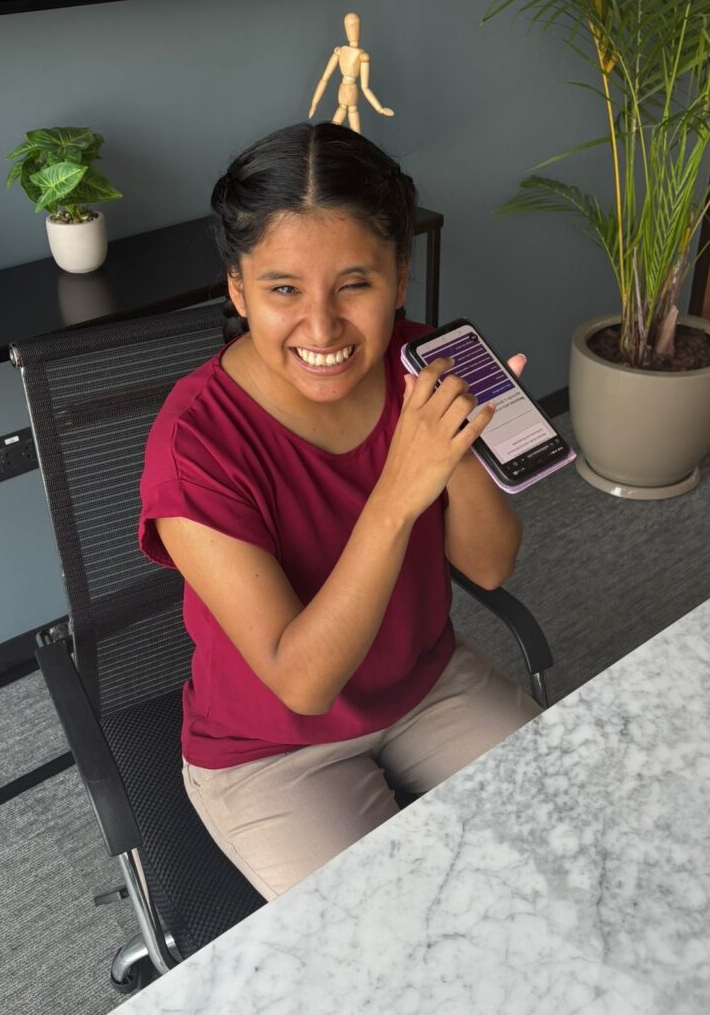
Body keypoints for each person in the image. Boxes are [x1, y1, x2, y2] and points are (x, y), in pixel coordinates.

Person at [138, 121, 541, 902]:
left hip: (428, 684)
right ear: (237, 289)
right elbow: (303, 683)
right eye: (283, 289)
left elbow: (491, 563)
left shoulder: (429, 363)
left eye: (354, 284)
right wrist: (398, 490)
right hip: (272, 748)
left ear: (398, 276)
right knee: (387, 937)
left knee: (563, 823)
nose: (321, 328)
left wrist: (454, 455)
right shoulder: (195, 442)